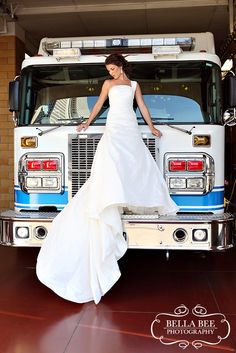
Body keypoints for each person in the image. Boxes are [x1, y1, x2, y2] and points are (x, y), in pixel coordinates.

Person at [36, 53, 179, 304]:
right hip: (113, 126)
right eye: (109, 69)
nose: (111, 72)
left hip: (130, 127)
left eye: (113, 68)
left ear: (121, 66)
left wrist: (153, 126)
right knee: (109, 160)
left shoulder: (134, 85)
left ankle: (130, 196)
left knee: (136, 162)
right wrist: (87, 123)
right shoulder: (108, 84)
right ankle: (108, 196)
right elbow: (99, 105)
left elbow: (142, 106)